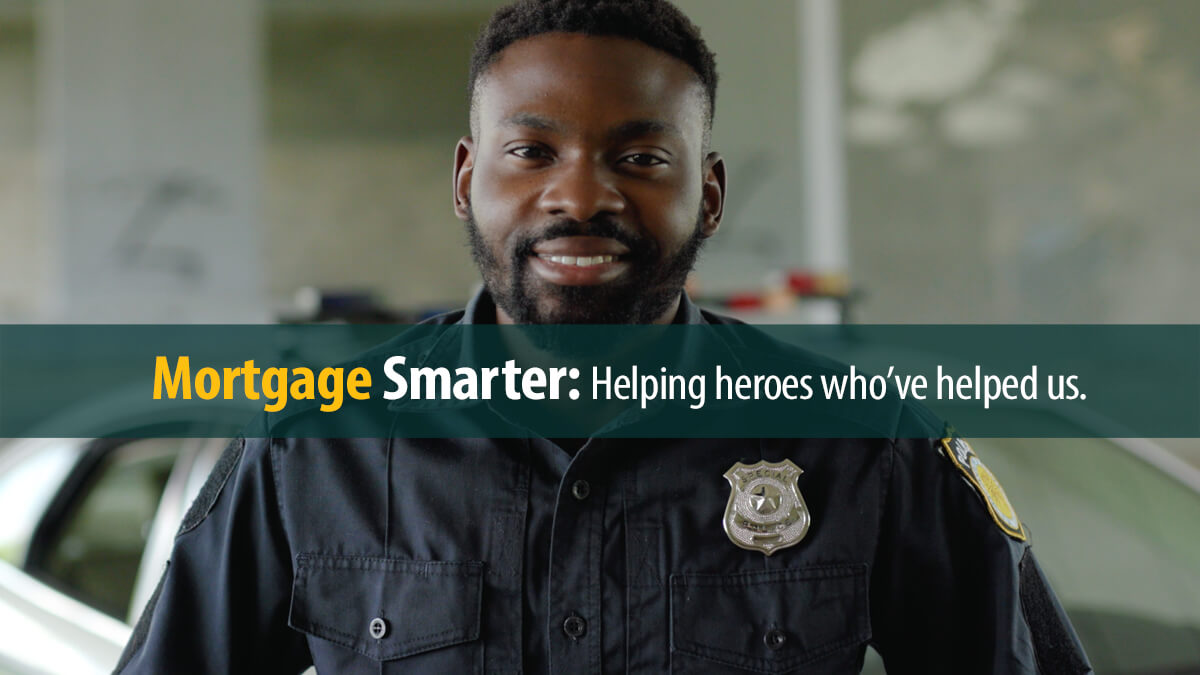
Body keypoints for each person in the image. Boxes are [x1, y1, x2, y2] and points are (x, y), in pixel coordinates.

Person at [116, 0, 1092, 673]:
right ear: (467, 180)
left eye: (639, 155)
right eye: (531, 151)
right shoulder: (313, 448)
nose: (581, 195)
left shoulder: (863, 444)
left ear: (706, 191)